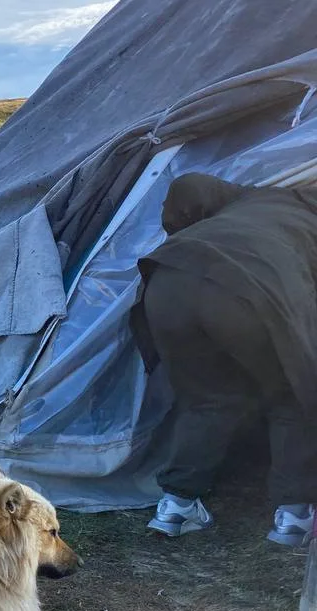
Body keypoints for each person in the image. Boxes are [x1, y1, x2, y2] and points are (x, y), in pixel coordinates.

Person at [132, 173, 316, 546]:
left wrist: (178, 227)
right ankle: (294, 518)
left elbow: (189, 186)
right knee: (291, 394)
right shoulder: (305, 218)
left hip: (168, 278)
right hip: (245, 287)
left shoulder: (247, 198)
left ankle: (177, 507)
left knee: (206, 399)